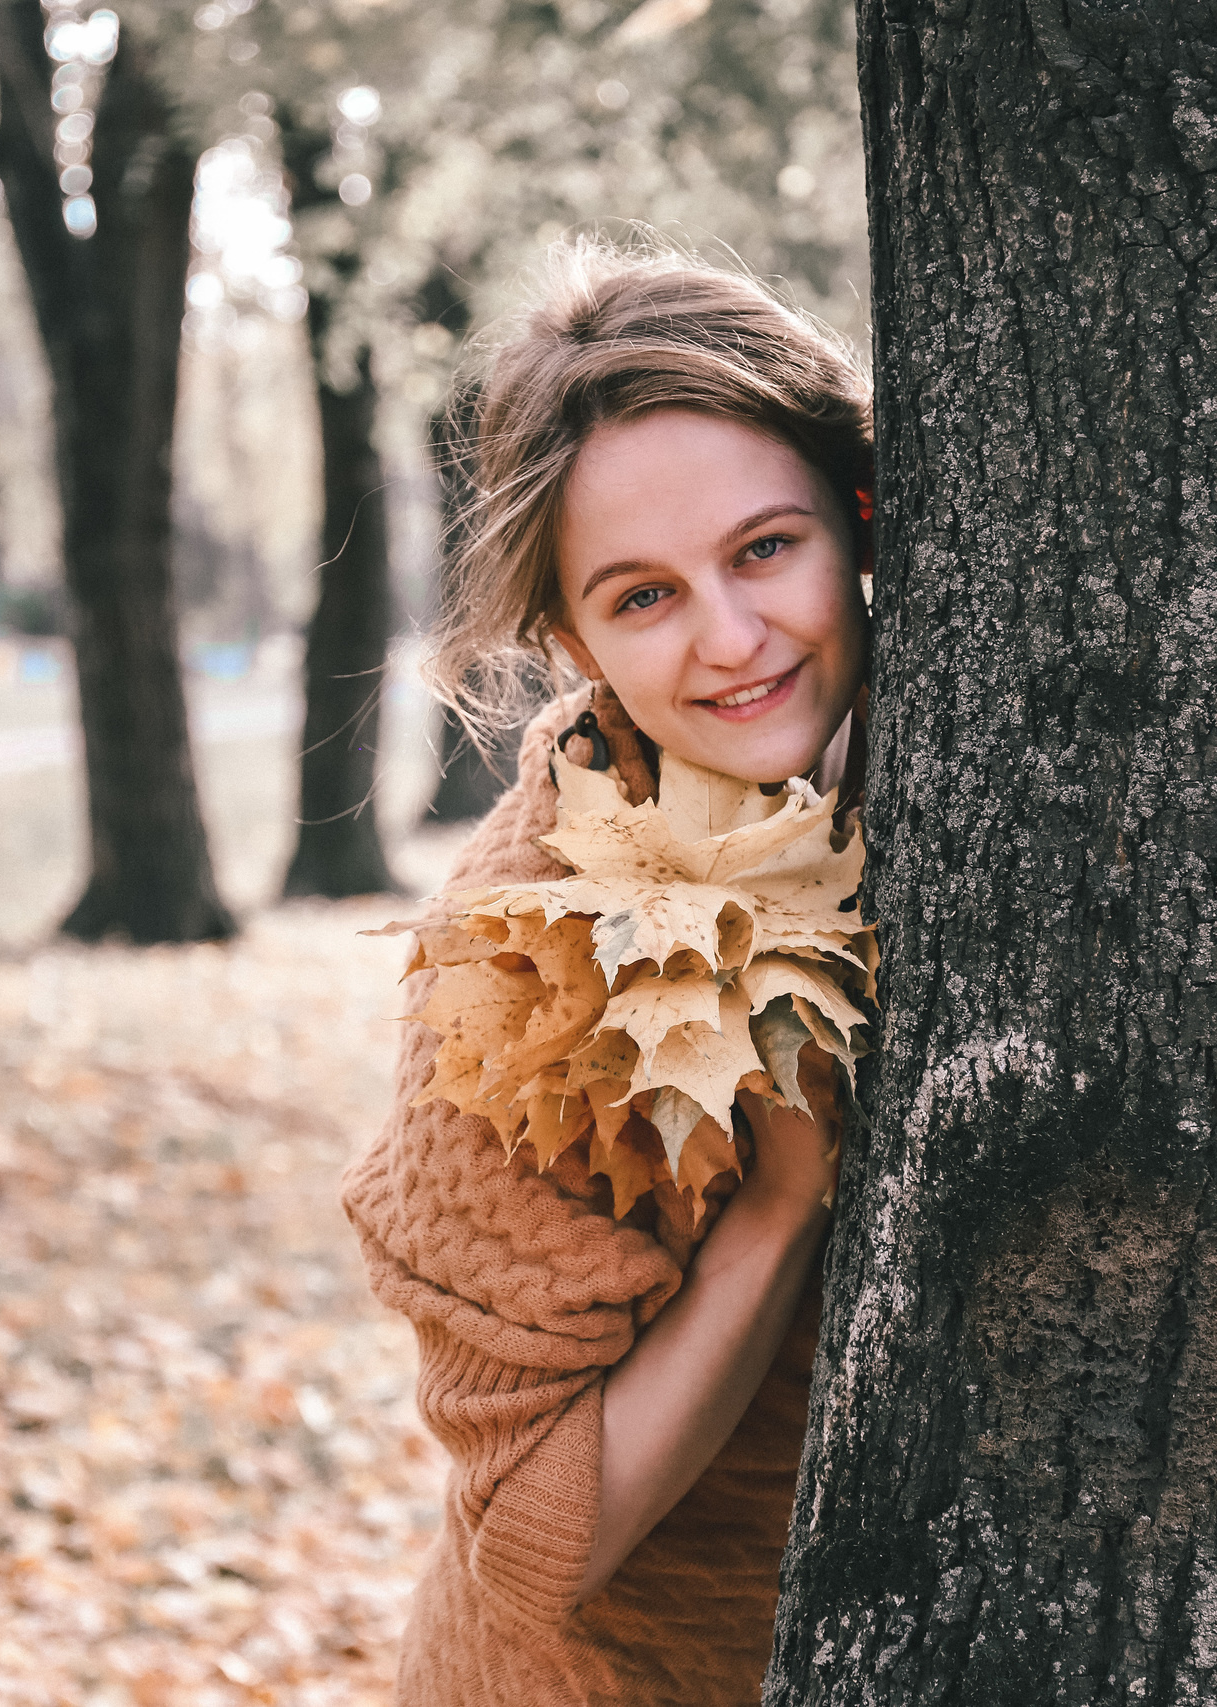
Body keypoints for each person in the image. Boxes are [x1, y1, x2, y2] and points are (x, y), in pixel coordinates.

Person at [341, 243, 875, 1706]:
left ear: (863, 518)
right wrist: (779, 1206)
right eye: (645, 597)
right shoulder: (520, 966)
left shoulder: (934, 773)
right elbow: (527, 1542)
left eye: (768, 548)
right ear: (573, 639)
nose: (732, 638)